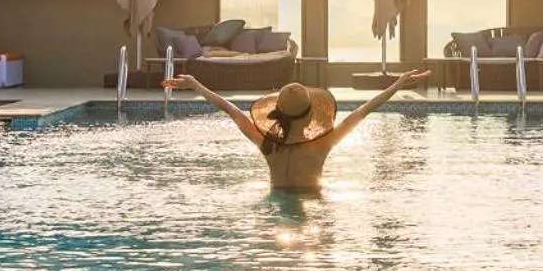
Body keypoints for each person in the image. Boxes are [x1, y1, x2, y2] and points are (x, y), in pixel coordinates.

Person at [163, 70, 432, 190]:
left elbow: (231, 111)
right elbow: (364, 111)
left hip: (274, 205)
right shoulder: (321, 145)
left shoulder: (268, 145)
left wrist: (196, 85)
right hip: (314, 206)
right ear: (311, 115)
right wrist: (398, 84)